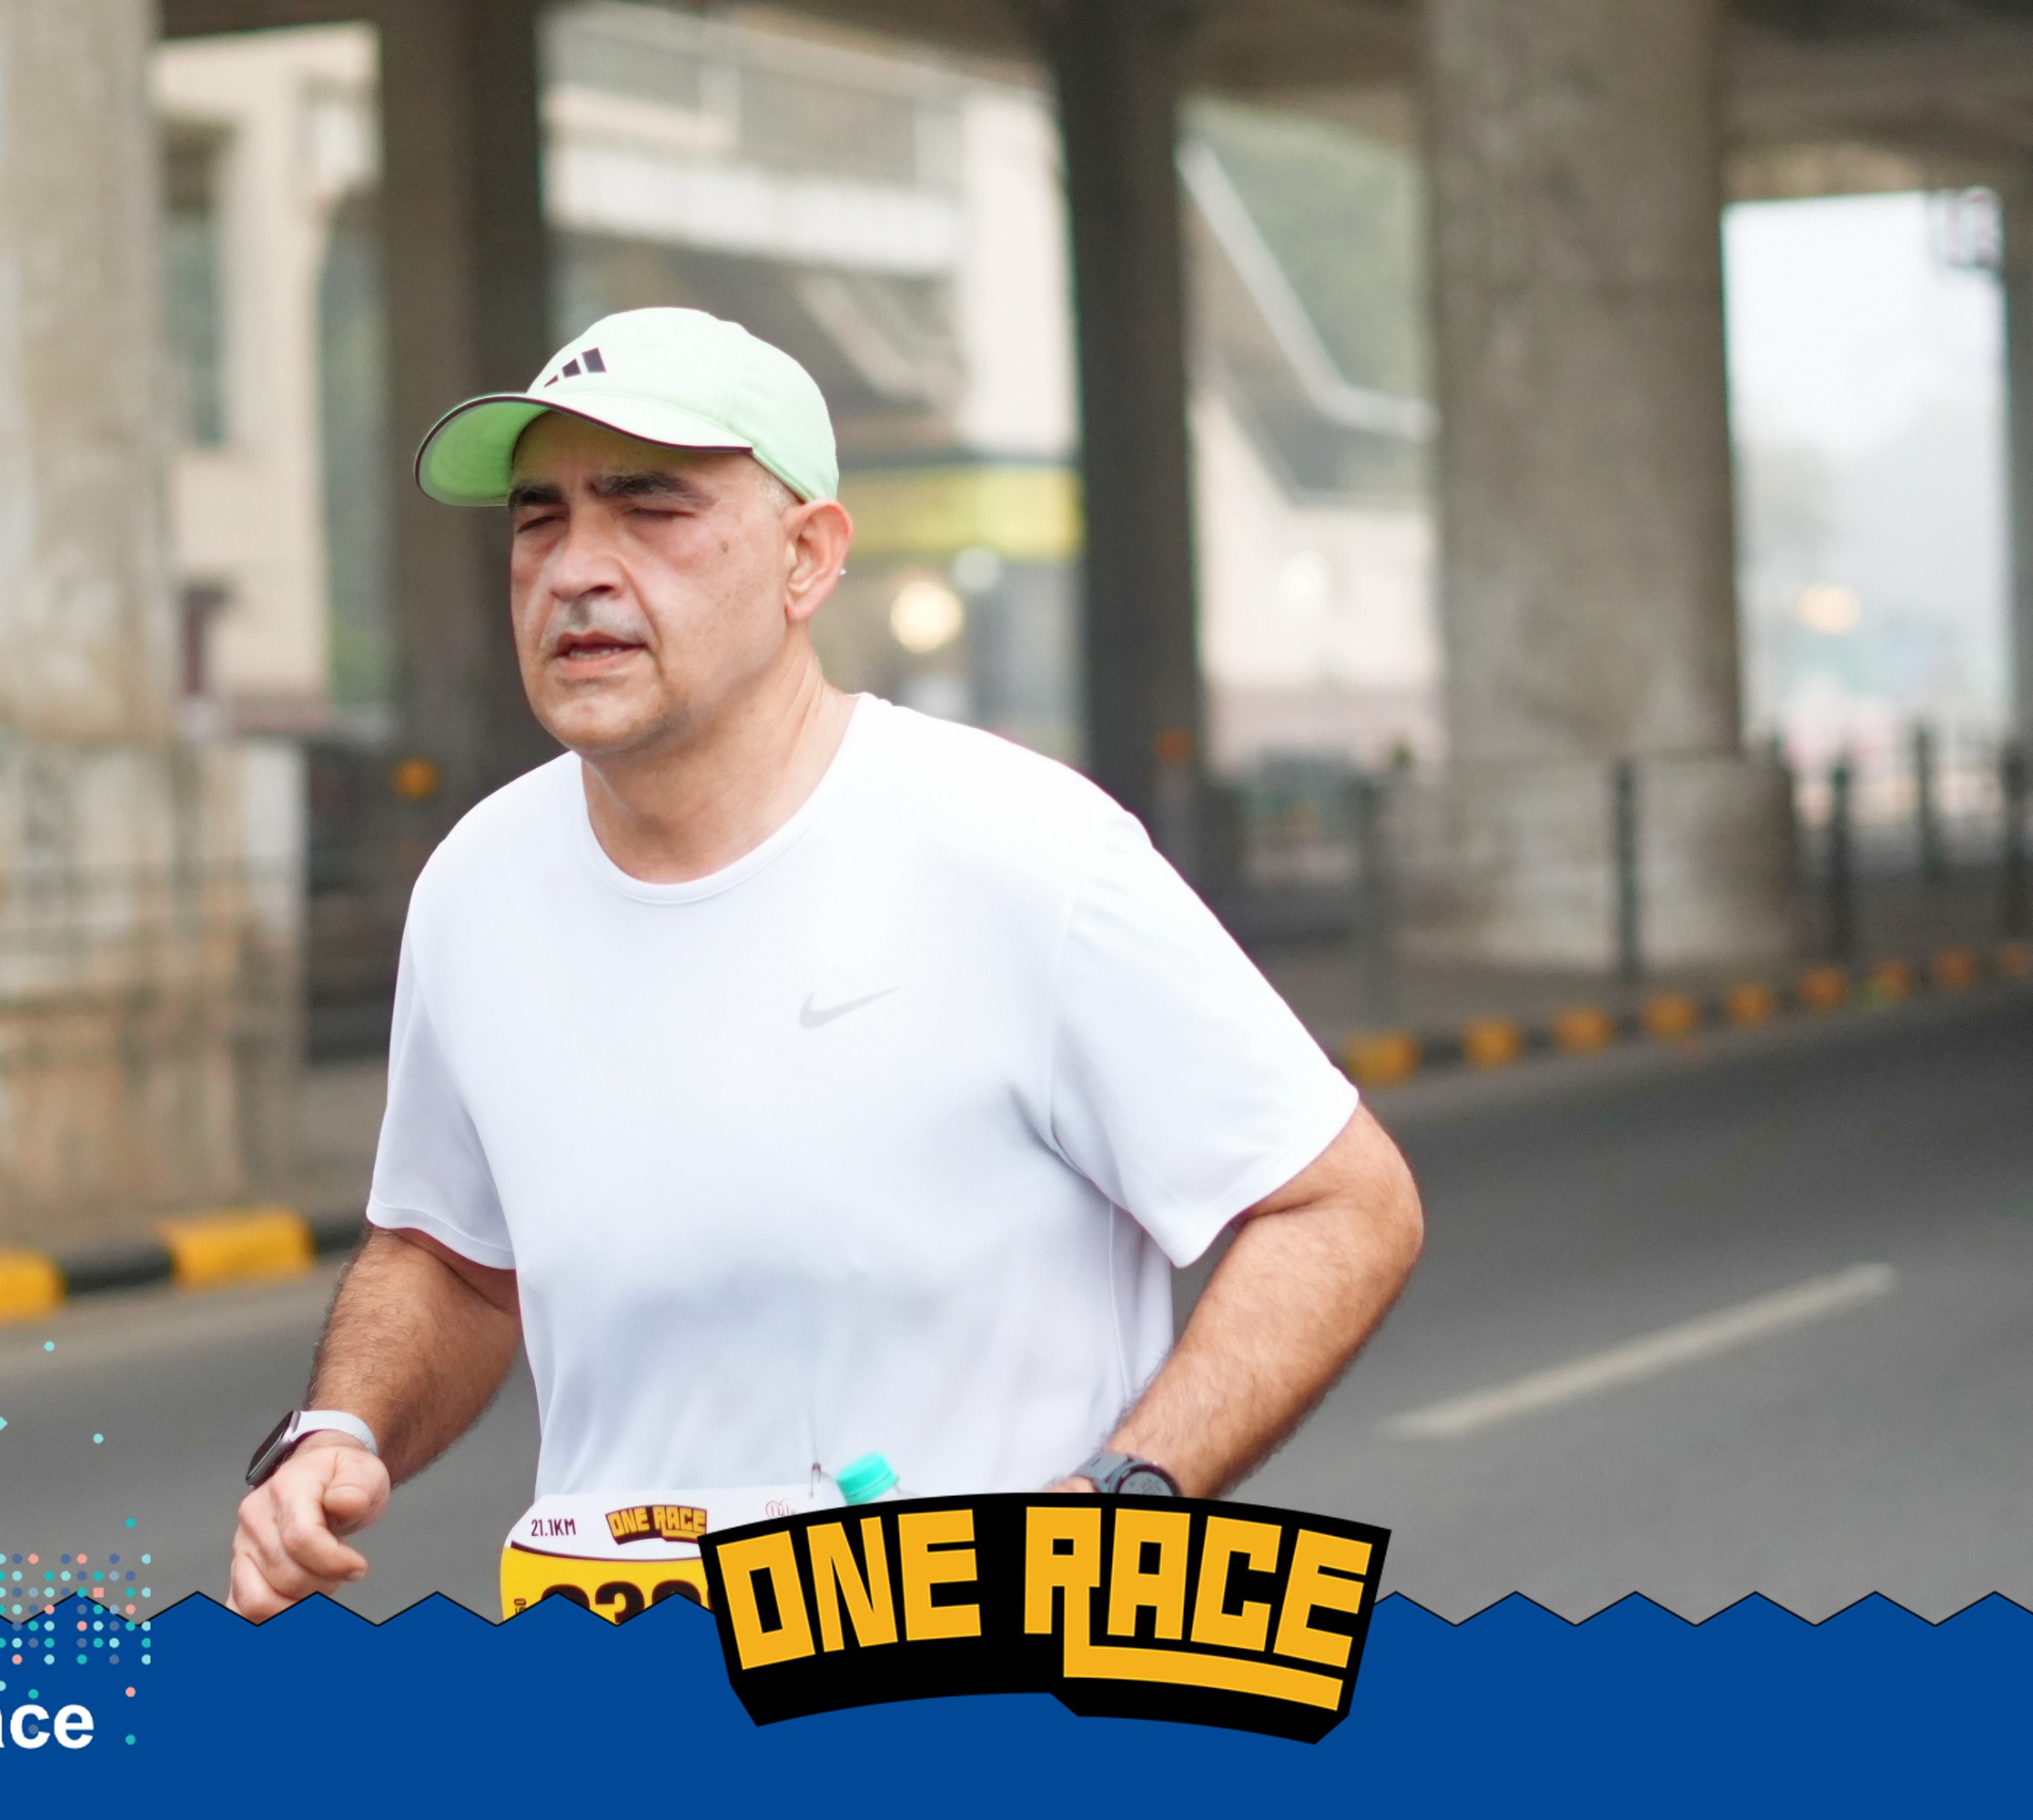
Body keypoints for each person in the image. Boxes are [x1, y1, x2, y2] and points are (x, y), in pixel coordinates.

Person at [227, 307, 1422, 1619]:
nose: (576, 569)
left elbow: (1342, 1204)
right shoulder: (477, 886)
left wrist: (1120, 1504)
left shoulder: (1020, 849)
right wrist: (339, 1427)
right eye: (539, 518)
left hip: (965, 1669)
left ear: (807, 558)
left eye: (651, 507)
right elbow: (450, 1257)